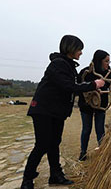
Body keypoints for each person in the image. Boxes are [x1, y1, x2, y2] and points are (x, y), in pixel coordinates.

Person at [21, 35, 105, 189]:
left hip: (55, 111)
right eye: (79, 49)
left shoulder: (68, 65)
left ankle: (55, 175)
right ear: (70, 48)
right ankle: (27, 179)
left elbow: (72, 85)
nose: (80, 53)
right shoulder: (58, 64)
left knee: (54, 143)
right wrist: (93, 84)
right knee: (42, 144)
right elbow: (68, 86)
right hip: (43, 109)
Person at [77, 50, 111, 161]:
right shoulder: (85, 72)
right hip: (86, 105)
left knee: (100, 129)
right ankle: (83, 152)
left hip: (101, 106)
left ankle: (103, 153)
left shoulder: (108, 73)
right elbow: (78, 87)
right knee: (86, 129)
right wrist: (92, 89)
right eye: (106, 61)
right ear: (99, 61)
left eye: (109, 61)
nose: (108, 63)